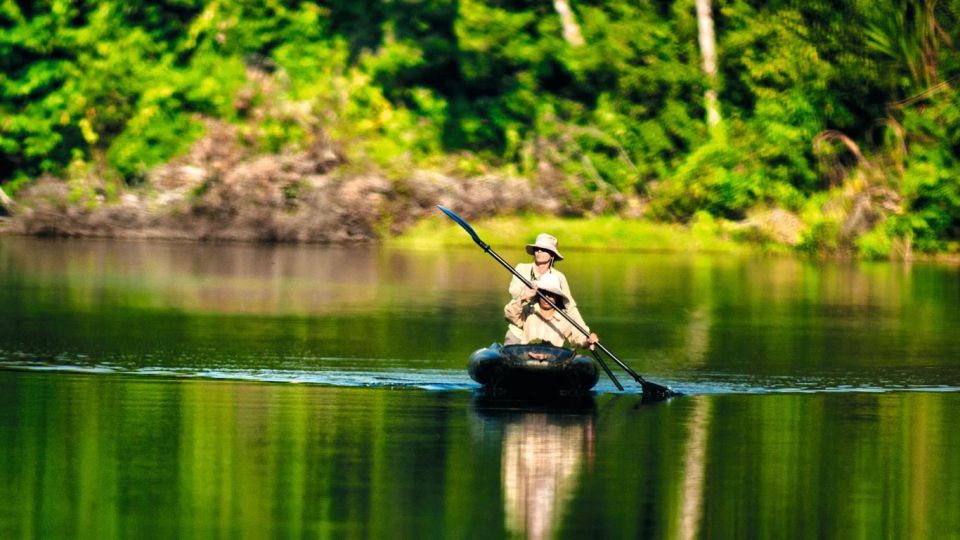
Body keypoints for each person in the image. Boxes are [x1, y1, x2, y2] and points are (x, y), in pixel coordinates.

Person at [505, 233, 587, 345]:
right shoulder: (522, 268)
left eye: (544, 249)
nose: (539, 251)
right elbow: (514, 294)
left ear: (552, 255)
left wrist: (586, 334)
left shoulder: (558, 277)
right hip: (521, 324)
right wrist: (528, 292)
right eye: (537, 249)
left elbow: (570, 307)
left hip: (547, 327)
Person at [504, 273, 599, 350]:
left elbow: (578, 338)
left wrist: (588, 340)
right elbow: (510, 315)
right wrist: (524, 298)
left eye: (551, 295)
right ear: (538, 294)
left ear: (557, 297)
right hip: (526, 360)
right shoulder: (528, 310)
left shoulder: (565, 319)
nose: (547, 298)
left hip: (552, 363)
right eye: (544, 293)